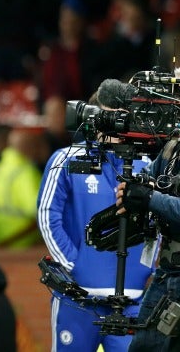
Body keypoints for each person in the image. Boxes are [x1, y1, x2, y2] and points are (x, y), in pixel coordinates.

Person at [38, 107, 153, 351]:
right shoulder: (67, 158)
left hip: (133, 299)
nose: (118, 124)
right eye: (112, 115)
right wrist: (74, 264)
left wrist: (146, 267)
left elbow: (159, 223)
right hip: (77, 300)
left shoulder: (147, 164)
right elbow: (47, 215)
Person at [116, 135, 180, 351]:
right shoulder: (174, 147)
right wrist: (132, 188)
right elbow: (146, 177)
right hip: (168, 271)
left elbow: (150, 196)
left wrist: (150, 198)